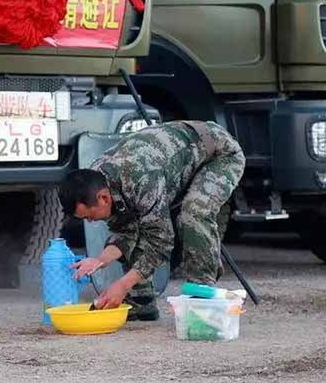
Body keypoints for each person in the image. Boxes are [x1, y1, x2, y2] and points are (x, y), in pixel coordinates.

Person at [59, 120, 245, 320]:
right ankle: (141, 302)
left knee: (193, 213)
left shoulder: (141, 179)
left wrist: (122, 284)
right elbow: (125, 231)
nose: (91, 222)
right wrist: (100, 260)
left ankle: (202, 297)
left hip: (218, 154)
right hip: (176, 164)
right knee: (139, 223)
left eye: (89, 216)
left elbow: (161, 242)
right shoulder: (97, 180)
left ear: (104, 198)